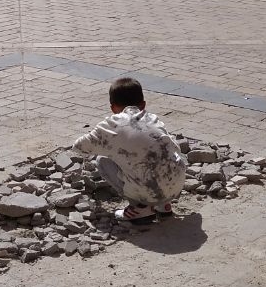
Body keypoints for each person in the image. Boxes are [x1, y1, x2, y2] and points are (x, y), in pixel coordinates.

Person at [71, 77, 187, 223]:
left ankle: (140, 208)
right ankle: (163, 205)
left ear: (113, 107)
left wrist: (111, 148)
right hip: (176, 187)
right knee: (158, 157)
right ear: (143, 105)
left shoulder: (110, 125)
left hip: (148, 193)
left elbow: (78, 147)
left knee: (103, 160)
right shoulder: (153, 118)